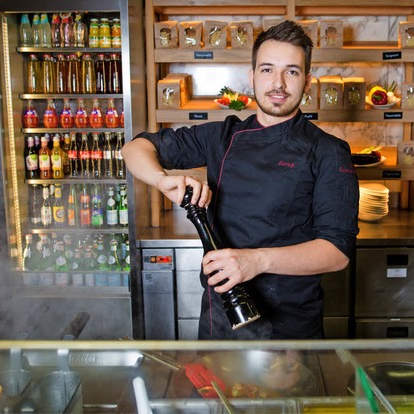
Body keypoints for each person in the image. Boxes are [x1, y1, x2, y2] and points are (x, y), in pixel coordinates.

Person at [122, 20, 359, 340]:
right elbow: (135, 148)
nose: (278, 83)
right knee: (214, 391)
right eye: (266, 70)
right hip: (219, 320)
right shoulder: (222, 135)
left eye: (291, 71)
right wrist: (161, 180)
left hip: (289, 327)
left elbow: (337, 251)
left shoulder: (328, 151)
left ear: (307, 82)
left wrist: (255, 261)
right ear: (251, 77)